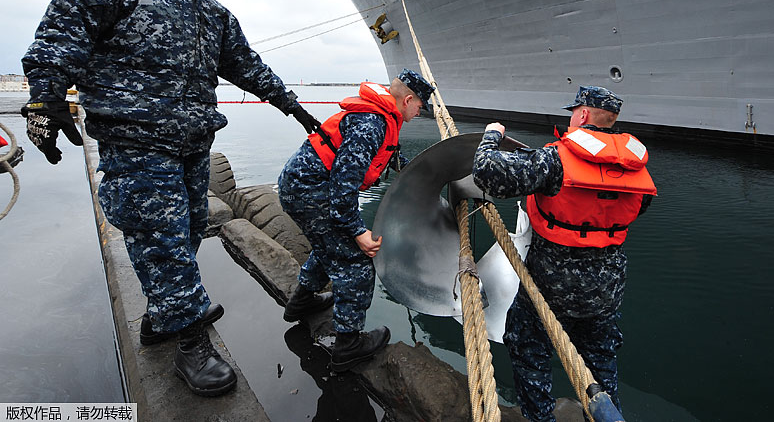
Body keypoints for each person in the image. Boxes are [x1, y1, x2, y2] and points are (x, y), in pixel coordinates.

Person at [20, 0, 323, 397]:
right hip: (135, 138)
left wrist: (295, 108)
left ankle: (162, 316)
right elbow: (66, 26)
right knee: (162, 236)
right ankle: (191, 341)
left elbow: (247, 66)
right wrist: (45, 95)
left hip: (192, 143)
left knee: (187, 230)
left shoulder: (213, 14)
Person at [472, 86, 657, 422]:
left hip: (552, 286)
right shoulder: (636, 168)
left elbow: (487, 174)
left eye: (573, 111)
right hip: (606, 289)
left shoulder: (554, 158)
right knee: (600, 359)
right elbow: (639, 206)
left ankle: (540, 417)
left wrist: (492, 135)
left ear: (582, 114)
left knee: (528, 346)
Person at [277, 69, 434, 372]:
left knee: (329, 246)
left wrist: (426, 176)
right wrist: (357, 231)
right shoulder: (372, 124)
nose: (419, 112)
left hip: (302, 186)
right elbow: (343, 184)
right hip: (311, 192)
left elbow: (381, 162)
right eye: (420, 106)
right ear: (408, 100)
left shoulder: (381, 119)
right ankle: (348, 344)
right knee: (355, 261)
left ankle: (301, 302)